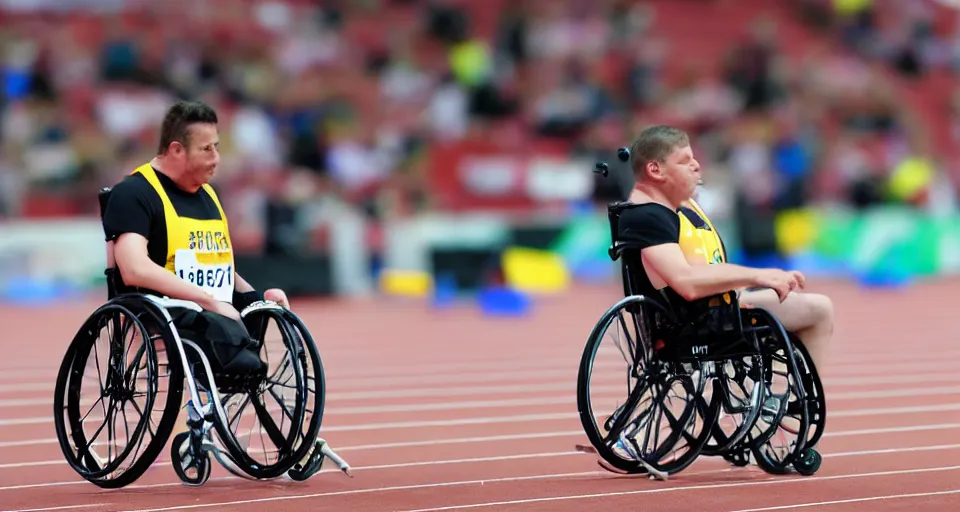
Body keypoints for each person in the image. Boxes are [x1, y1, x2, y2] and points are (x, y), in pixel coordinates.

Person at [618, 125, 833, 371]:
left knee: (817, 307)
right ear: (655, 169)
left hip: (718, 308)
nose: (696, 166)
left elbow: (704, 265)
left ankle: (784, 400)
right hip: (699, 323)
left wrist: (744, 286)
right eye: (684, 161)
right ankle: (802, 402)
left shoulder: (676, 210)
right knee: (818, 310)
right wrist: (760, 275)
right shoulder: (647, 216)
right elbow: (687, 282)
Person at [101, 100, 291, 377]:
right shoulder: (134, 193)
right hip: (164, 305)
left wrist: (256, 298)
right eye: (206, 149)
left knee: (263, 313)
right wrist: (208, 302)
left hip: (210, 301)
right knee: (227, 337)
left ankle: (230, 374)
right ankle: (213, 392)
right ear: (176, 150)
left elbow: (215, 262)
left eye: (217, 147)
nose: (216, 158)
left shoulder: (210, 194)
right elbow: (133, 269)